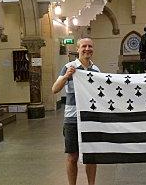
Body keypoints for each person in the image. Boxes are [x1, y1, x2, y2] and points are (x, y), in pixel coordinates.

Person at [52, 37, 100, 185]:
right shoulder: (69, 67)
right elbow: (54, 89)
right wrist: (67, 76)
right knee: (72, 156)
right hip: (72, 119)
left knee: (91, 156)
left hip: (90, 118)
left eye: (90, 46)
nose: (87, 49)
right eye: (84, 46)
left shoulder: (96, 70)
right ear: (78, 49)